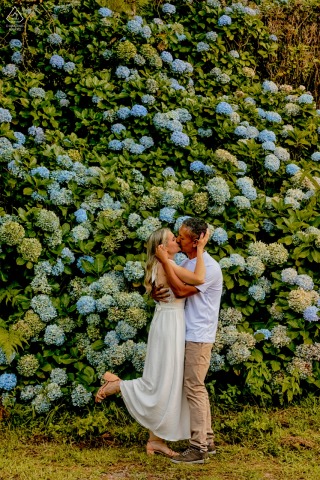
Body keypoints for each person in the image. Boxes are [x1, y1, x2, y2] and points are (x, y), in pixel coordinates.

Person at [95, 227, 209, 458]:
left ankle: (155, 440)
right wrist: (201, 248)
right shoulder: (167, 264)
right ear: (162, 247)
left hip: (169, 320)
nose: (177, 240)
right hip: (170, 324)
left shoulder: (165, 264)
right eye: (171, 239)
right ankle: (118, 386)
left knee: (166, 380)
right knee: (163, 380)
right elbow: (197, 279)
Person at [154, 217, 223, 464]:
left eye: (182, 237)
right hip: (186, 333)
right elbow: (172, 288)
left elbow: (183, 290)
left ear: (195, 241)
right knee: (193, 387)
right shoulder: (187, 261)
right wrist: (155, 291)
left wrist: (165, 262)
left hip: (199, 336)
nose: (178, 240)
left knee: (194, 387)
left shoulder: (211, 268)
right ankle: (208, 440)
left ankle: (198, 448)